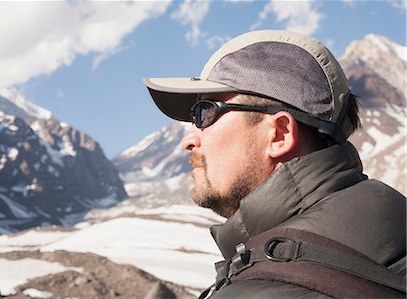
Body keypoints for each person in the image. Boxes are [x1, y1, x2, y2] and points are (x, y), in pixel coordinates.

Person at [143, 30, 406, 298]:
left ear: (279, 134)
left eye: (206, 113)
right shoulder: (391, 228)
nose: (189, 140)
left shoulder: (266, 290)